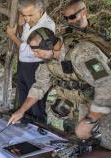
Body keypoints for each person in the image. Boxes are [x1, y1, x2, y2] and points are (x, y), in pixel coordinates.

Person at [9, 0, 111, 150]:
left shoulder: (81, 53)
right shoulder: (48, 61)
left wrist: (91, 120)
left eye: (37, 51)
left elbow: (107, 84)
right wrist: (21, 111)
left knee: (107, 143)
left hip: (106, 102)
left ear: (48, 45)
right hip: (88, 103)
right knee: (88, 144)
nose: (35, 55)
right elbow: (39, 87)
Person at [7, 0, 55, 122]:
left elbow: (30, 50)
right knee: (24, 99)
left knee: (36, 102)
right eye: (24, 15)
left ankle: (39, 129)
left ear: (40, 10)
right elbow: (25, 38)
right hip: (24, 65)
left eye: (30, 15)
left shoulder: (47, 25)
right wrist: (20, 25)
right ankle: (26, 127)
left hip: (36, 66)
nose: (27, 19)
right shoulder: (30, 21)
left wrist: (13, 37)